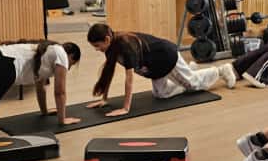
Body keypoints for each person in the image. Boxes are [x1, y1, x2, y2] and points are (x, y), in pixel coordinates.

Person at [86, 23, 234, 117]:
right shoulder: (110, 47)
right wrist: (104, 99)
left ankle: (221, 70)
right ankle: (187, 71)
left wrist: (125, 108)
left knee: (193, 84)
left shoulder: (125, 46)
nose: (97, 49)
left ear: (107, 39)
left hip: (166, 56)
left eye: (97, 46)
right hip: (154, 66)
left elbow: (129, 80)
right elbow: (108, 72)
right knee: (161, 94)